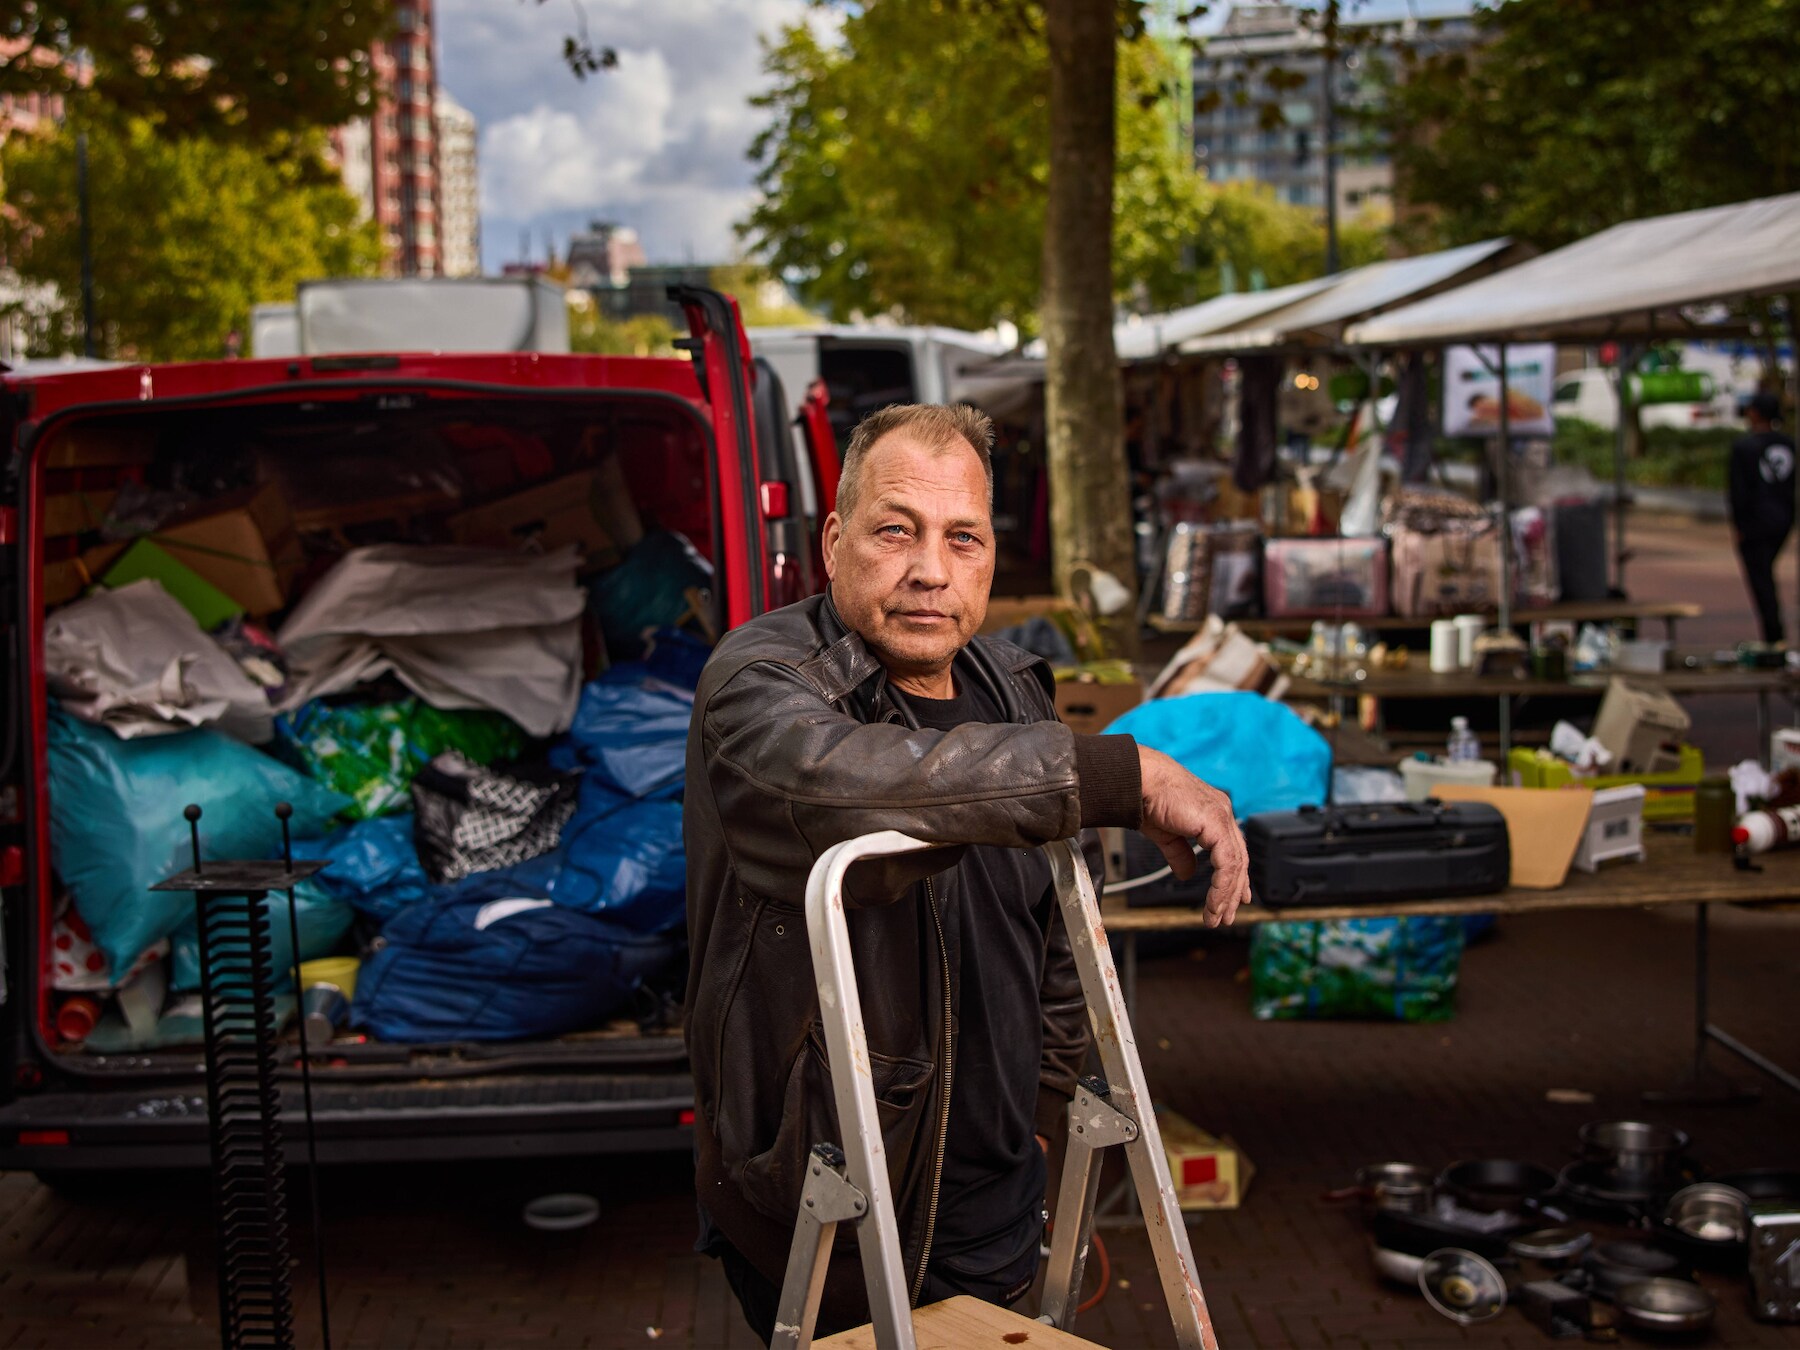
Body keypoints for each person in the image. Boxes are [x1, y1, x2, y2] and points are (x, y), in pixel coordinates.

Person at [683, 402, 1250, 1342]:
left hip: (997, 1185)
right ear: (834, 541)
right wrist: (1118, 770)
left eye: (964, 538)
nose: (930, 571)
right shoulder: (761, 680)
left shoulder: (1013, 686)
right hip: (831, 1187)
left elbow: (1061, 925)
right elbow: (841, 798)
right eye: (895, 530)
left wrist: (1047, 1102)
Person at [1728, 391, 1796, 643]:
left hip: (1755, 524)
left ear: (1755, 413)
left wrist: (1740, 525)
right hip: (1783, 519)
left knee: (1761, 581)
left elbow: (1738, 492)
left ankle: (1773, 638)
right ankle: (1774, 635)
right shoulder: (1790, 445)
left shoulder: (1744, 448)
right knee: (1766, 575)